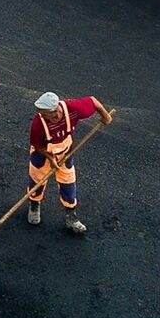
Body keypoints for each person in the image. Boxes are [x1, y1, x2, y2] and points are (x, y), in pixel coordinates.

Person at [27, 91, 113, 235]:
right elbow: (37, 145)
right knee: (36, 182)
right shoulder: (38, 123)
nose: (40, 115)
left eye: (44, 113)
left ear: (54, 111)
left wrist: (106, 116)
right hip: (42, 155)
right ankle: (34, 206)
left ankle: (71, 217)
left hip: (65, 153)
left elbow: (93, 101)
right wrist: (50, 158)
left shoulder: (73, 108)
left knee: (68, 183)